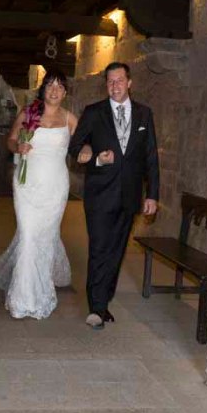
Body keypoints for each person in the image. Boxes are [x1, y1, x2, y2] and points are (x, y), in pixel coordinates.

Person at [0, 70, 78, 319]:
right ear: (43, 89)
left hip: (55, 188)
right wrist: (18, 146)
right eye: (50, 85)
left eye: (59, 87)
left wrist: (89, 150)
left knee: (45, 238)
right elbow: (10, 141)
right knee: (29, 236)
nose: (54, 90)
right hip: (27, 184)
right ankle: (23, 299)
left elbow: (83, 143)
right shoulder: (29, 114)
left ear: (65, 92)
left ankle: (40, 290)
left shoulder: (70, 119)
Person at [69, 62, 159, 330]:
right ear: (106, 85)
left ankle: (103, 299)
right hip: (99, 194)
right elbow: (74, 147)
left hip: (129, 194)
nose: (115, 85)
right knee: (99, 248)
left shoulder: (144, 114)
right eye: (110, 81)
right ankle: (96, 308)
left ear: (129, 83)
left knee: (117, 252)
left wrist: (152, 195)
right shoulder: (93, 112)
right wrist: (95, 157)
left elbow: (151, 157)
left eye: (119, 80)